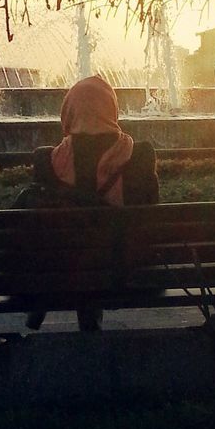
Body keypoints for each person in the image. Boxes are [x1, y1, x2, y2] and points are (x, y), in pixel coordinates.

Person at [19, 74, 160, 330]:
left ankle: (43, 300)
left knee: (72, 244)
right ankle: (89, 314)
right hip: (126, 268)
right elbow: (151, 210)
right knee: (98, 245)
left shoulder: (47, 160)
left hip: (63, 270)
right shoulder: (140, 156)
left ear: (69, 112)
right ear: (112, 109)